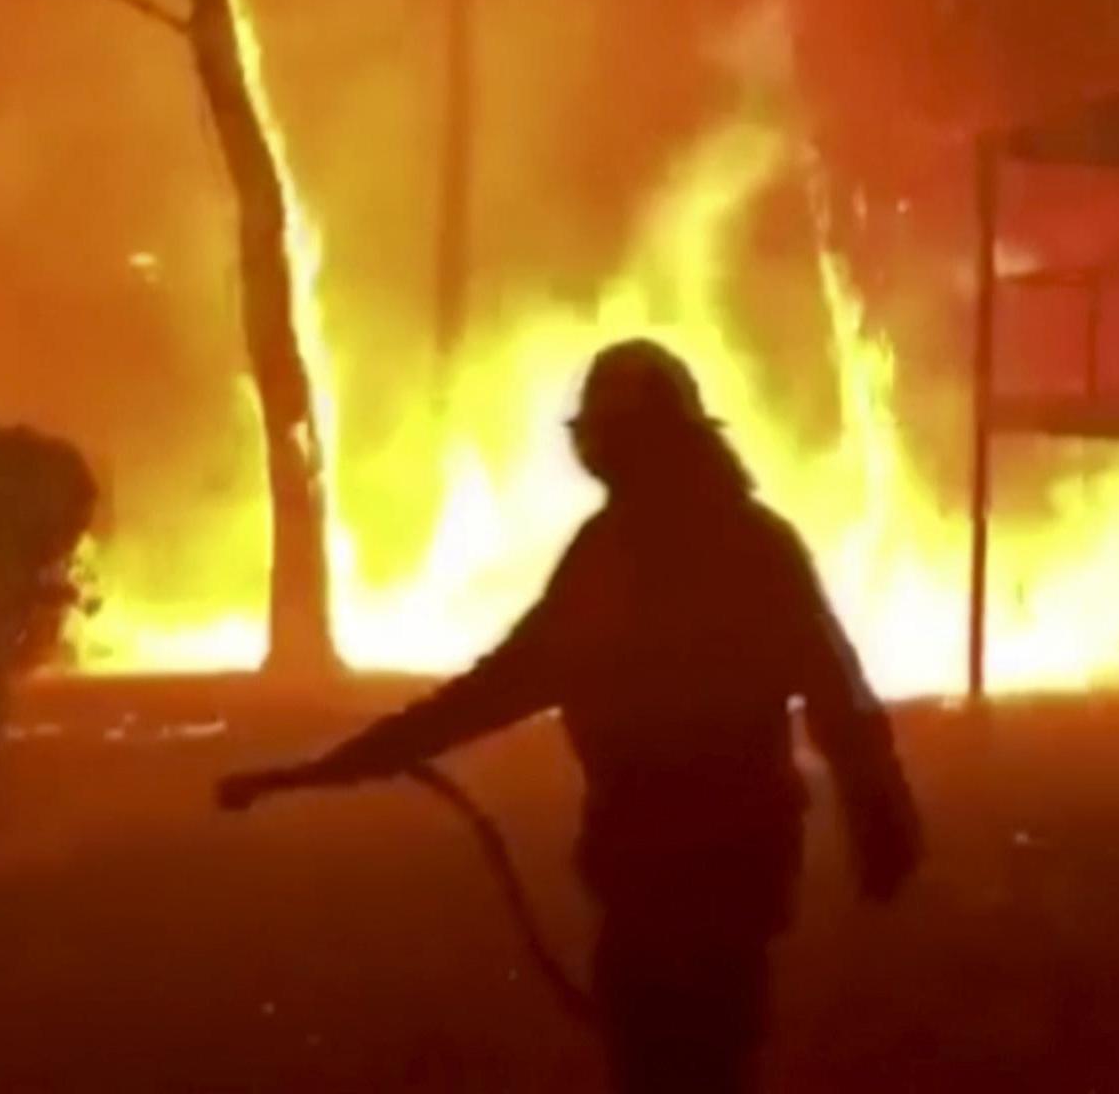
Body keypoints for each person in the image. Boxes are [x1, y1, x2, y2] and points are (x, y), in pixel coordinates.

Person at [215, 339, 922, 1094]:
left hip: (682, 863)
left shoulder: (644, 555)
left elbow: (499, 689)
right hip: (703, 864)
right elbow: (503, 686)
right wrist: (877, 808)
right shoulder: (714, 547)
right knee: (692, 1056)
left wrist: (877, 805)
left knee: (675, 1057)